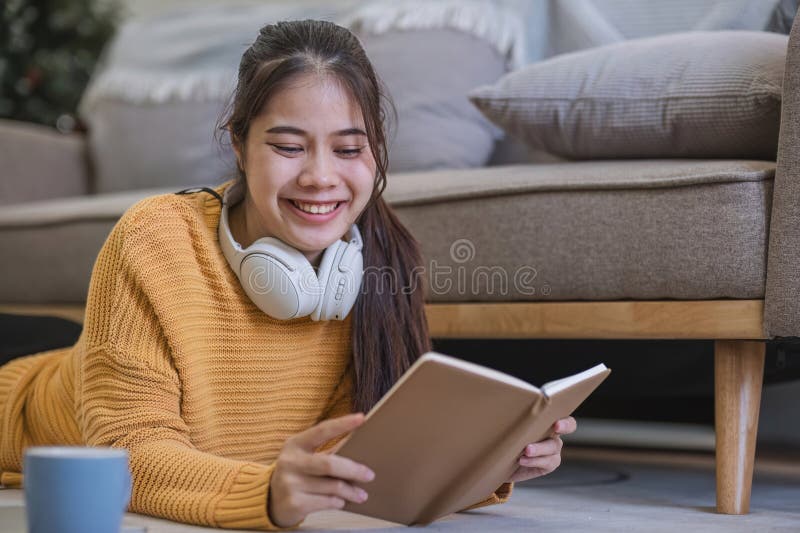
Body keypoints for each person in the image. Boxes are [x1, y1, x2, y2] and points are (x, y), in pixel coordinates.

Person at [0, 19, 576, 530]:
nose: (322, 177)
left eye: (349, 149)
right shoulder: (156, 240)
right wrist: (265, 493)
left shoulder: (381, 261)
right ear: (239, 144)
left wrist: (485, 459)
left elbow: (360, 450)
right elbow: (128, 453)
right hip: (21, 401)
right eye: (289, 146)